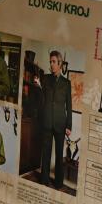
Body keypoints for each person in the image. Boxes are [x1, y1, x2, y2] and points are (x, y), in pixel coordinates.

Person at [38, 50, 72, 189]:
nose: (51, 64)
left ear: (60, 63)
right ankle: (44, 180)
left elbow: (69, 106)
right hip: (46, 121)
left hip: (60, 123)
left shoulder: (67, 83)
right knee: (45, 153)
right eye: (50, 62)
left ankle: (58, 183)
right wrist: (39, 86)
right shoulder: (45, 79)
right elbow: (42, 100)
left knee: (59, 155)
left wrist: (69, 125)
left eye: (53, 62)